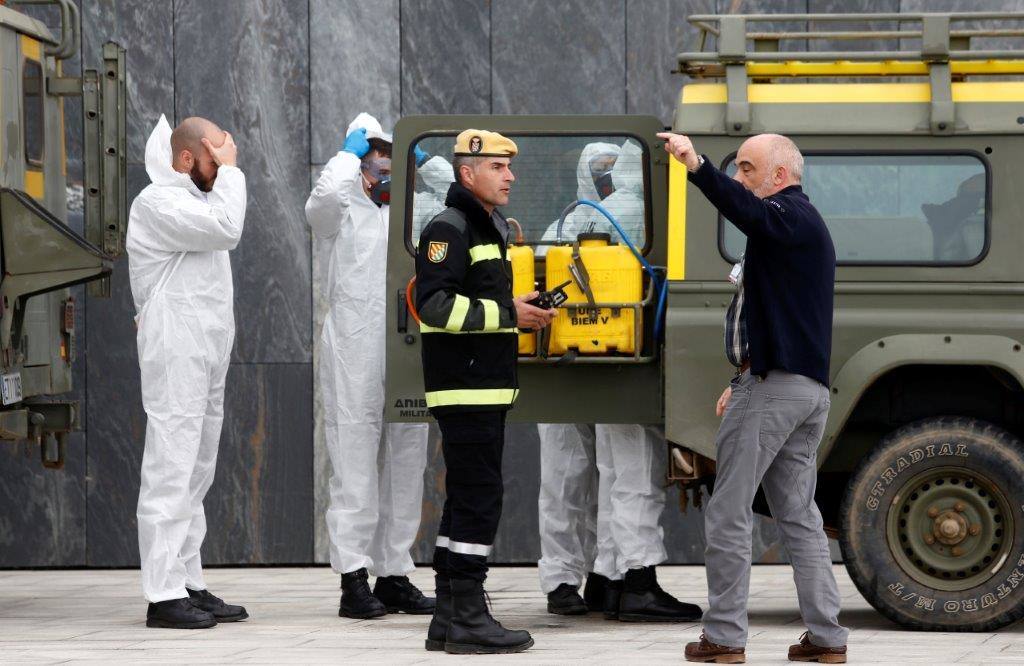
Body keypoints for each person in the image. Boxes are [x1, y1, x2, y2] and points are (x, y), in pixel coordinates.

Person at [657, 131, 849, 664]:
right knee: (800, 515)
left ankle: (723, 637)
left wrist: (697, 166)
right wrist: (742, 375)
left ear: (780, 177)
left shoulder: (787, 217)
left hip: (773, 390)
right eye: (736, 169)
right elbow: (776, 313)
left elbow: (742, 208)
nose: (740, 179)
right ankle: (828, 639)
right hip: (798, 389)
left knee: (728, 511)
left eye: (746, 169)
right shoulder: (796, 229)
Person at [537, 142, 701, 624]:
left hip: (561, 364)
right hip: (620, 361)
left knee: (565, 475)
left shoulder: (566, 220)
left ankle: (569, 582)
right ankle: (628, 578)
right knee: (627, 471)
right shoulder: (646, 216)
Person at [415, 129, 555, 654]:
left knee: (465, 501)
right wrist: (508, 314)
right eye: (498, 167)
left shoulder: (482, 227)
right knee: (479, 499)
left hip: (481, 387)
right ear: (467, 173)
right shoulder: (450, 227)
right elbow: (432, 305)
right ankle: (469, 619)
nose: (510, 176)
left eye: (509, 166)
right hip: (466, 388)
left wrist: (515, 305)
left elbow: (470, 301)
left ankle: (450, 616)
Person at [305, 112, 433, 619]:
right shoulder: (343, 209)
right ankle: (353, 578)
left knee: (408, 460)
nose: (382, 173)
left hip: (409, 347)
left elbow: (453, 197)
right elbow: (318, 206)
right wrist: (344, 157)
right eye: (374, 161)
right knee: (354, 459)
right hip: (355, 350)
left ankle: (395, 573)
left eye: (390, 162)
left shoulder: (413, 209)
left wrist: (417, 164)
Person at [128, 115, 248, 629]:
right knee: (172, 464)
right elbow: (228, 230)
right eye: (214, 157)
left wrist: (222, 174)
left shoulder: (198, 199)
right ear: (185, 158)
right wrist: (234, 173)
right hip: (175, 349)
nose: (221, 166)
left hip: (205, 350)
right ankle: (162, 593)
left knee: (197, 469)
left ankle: (188, 581)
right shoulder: (158, 202)